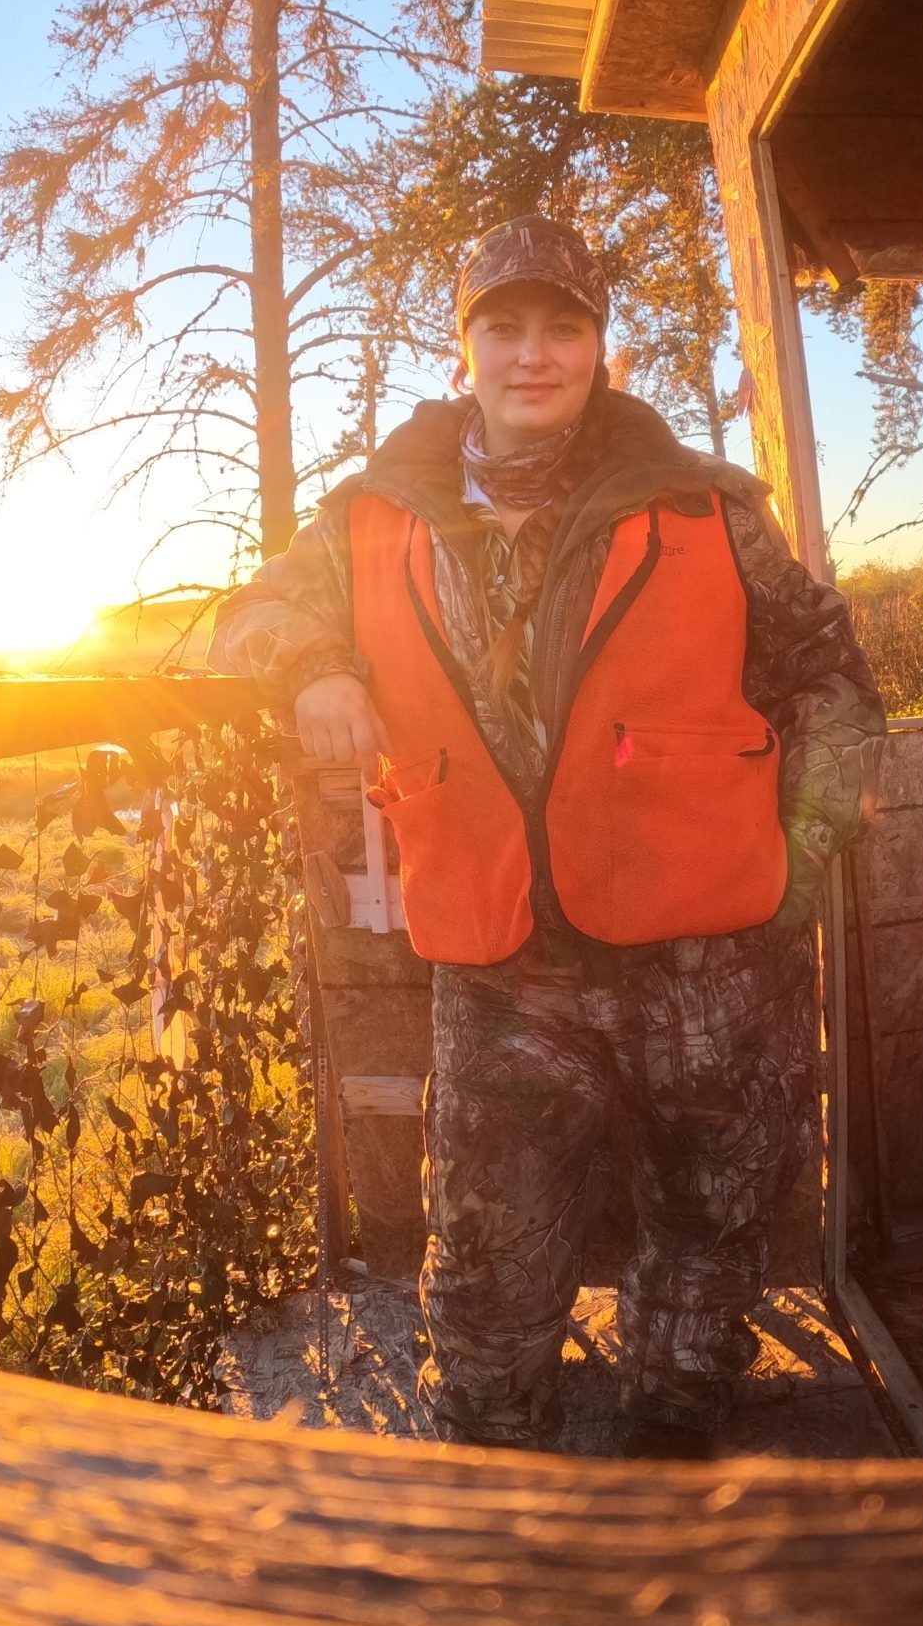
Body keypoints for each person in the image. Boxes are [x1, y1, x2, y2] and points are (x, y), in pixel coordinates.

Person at [212, 214, 882, 1456]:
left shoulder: (706, 504)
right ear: (462, 345)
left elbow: (828, 676)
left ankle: (670, 1460)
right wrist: (309, 664)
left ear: (600, 348)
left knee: (709, 1233)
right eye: (504, 327)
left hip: (710, 960)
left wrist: (800, 857)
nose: (535, 354)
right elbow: (243, 618)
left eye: (563, 326)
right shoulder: (368, 517)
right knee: (481, 1268)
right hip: (499, 957)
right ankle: (496, 1484)